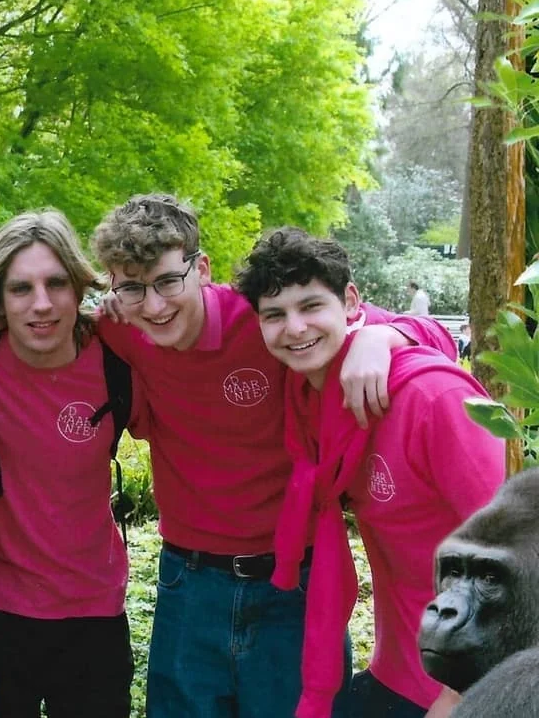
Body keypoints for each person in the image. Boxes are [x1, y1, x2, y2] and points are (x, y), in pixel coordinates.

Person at [89, 194, 455, 718]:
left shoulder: (268, 319)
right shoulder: (119, 328)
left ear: (201, 268)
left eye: (169, 280)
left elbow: (436, 337)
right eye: (131, 288)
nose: (154, 305)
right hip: (187, 584)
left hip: (294, 585)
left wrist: (382, 335)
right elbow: (40, 321)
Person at [233, 227, 505, 717]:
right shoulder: (313, 403)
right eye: (275, 315)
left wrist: (460, 694)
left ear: (351, 302)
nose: (294, 328)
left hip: (461, 689)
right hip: (393, 673)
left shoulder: (434, 400)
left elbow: (519, 559)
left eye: (311, 306)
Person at [0, 211, 146, 717]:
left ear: (79, 287)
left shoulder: (117, 359)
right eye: (21, 289)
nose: (41, 304)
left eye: (56, 284)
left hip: (94, 613)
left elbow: (202, 320)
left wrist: (385, 332)